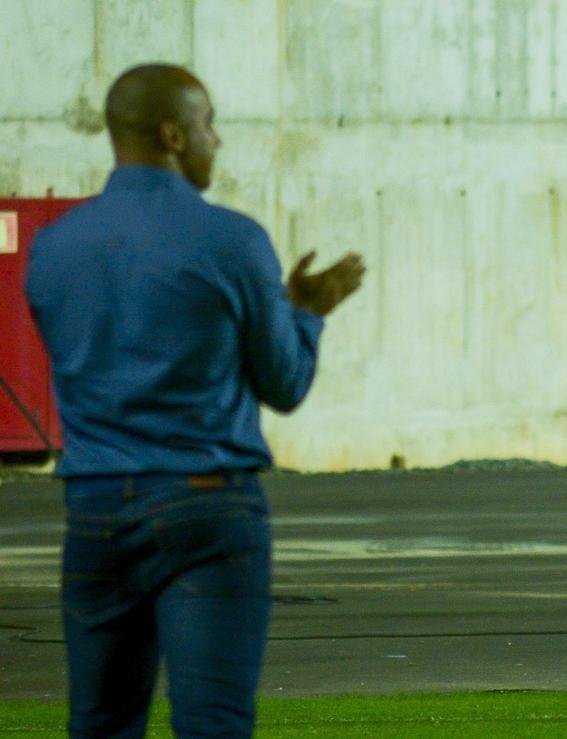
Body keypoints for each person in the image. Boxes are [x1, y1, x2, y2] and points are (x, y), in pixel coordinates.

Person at [24, 64, 365, 738]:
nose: (218, 141)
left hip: (93, 504)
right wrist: (307, 311)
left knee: (99, 720)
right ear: (174, 133)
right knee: (213, 720)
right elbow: (284, 383)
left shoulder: (53, 247)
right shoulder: (234, 241)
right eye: (210, 124)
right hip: (208, 502)